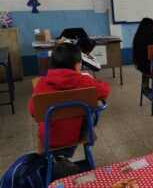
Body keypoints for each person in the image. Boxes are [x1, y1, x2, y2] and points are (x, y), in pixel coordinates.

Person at [29, 43, 110, 177]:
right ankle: (62, 156)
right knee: (87, 111)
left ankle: (58, 158)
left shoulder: (43, 83)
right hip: (76, 135)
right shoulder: (83, 81)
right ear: (77, 65)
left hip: (49, 138)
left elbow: (33, 112)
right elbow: (105, 90)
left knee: (49, 118)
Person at [133, 17, 153, 90]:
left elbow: (136, 54)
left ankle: (145, 84)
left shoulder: (137, 37)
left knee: (147, 63)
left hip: (143, 67)